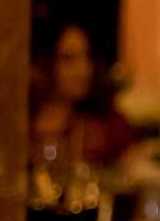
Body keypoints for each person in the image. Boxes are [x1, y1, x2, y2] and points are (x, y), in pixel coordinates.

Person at [30, 22, 136, 170]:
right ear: (44, 62)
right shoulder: (21, 125)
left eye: (86, 57)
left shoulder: (104, 125)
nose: (83, 70)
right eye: (69, 59)